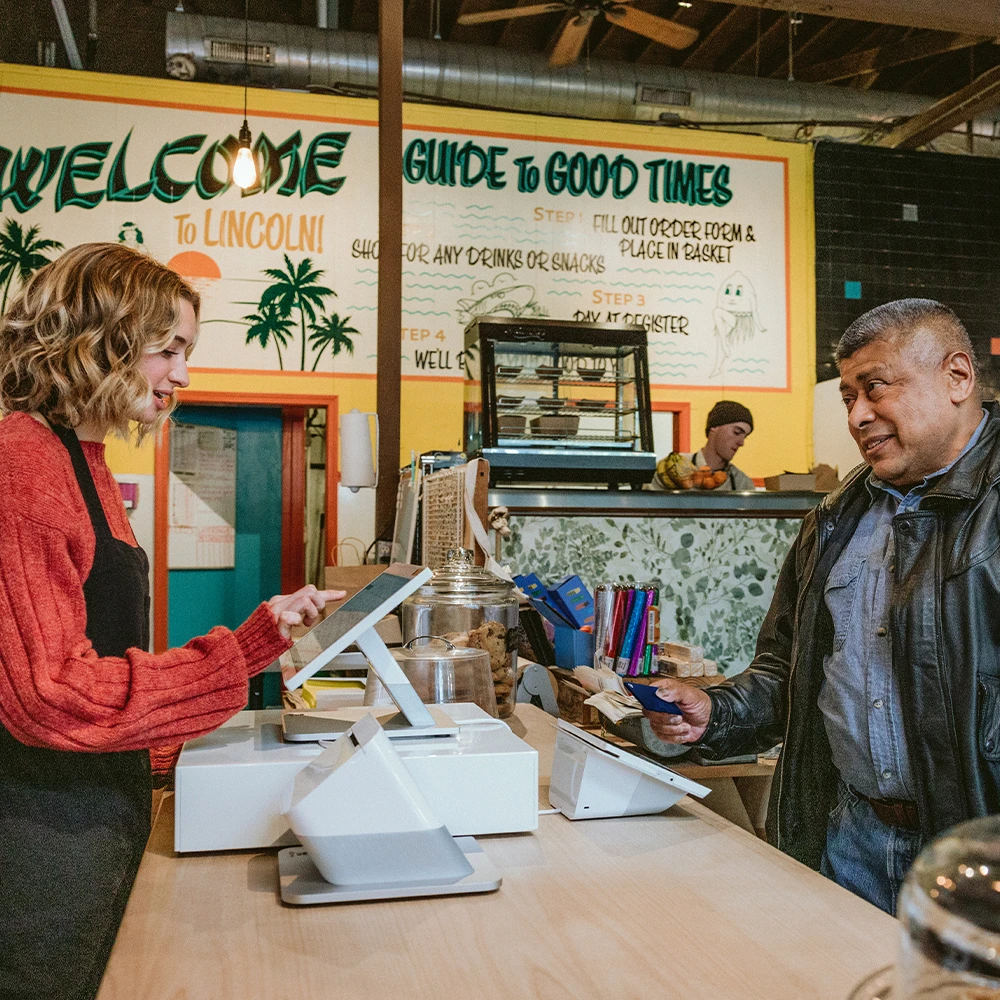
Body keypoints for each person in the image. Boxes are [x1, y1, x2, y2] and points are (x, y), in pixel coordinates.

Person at [0, 243, 343, 1000]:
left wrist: (174, 747)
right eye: (168, 349)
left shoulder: (76, 456)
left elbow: (96, 649)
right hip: (39, 846)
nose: (182, 375)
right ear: (98, 340)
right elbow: (52, 695)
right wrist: (236, 657)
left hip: (89, 817)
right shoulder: (22, 464)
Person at [643, 299, 999, 915]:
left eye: (876, 389)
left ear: (957, 378)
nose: (858, 416)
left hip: (977, 860)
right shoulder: (835, 521)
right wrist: (714, 711)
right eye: (847, 399)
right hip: (850, 840)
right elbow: (787, 669)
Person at [650, 400, 755, 491]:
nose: (741, 443)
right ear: (713, 427)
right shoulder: (673, 469)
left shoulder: (742, 483)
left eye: (744, 437)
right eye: (736, 432)